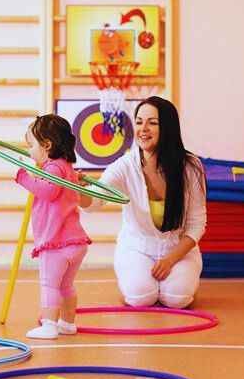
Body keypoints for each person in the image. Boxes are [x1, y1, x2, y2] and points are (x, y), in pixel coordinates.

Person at [80, 96, 206, 308]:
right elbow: (94, 202)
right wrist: (77, 190)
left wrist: (170, 260)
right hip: (136, 248)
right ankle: (141, 285)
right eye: (139, 121)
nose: (143, 128)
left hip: (177, 249)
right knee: (141, 297)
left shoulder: (191, 167)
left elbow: (196, 224)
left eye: (152, 122)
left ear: (168, 127)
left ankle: (176, 283)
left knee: (178, 299)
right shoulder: (125, 165)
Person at [15, 115, 91, 339]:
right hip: (75, 242)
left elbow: (49, 192)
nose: (30, 152)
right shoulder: (66, 167)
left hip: (56, 243)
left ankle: (49, 325)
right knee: (66, 286)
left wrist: (24, 178)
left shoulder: (53, 169)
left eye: (31, 146)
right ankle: (67, 323)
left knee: (49, 285)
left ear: (46, 145)